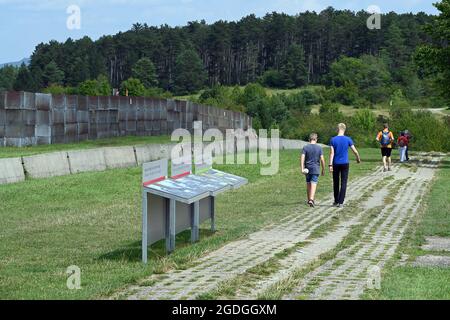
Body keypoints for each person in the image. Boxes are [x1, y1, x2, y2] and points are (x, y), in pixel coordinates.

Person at [329, 123, 361, 208]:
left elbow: (332, 153)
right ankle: (341, 202)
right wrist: (358, 158)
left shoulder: (333, 139)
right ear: (344, 129)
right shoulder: (348, 139)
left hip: (335, 163)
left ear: (338, 129)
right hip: (345, 163)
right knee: (344, 182)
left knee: (336, 182)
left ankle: (336, 201)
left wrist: (330, 165)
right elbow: (355, 151)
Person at [301, 133, 326, 208]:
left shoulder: (305, 147)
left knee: (308, 183)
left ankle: (309, 199)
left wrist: (302, 168)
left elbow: (302, 158)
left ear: (309, 139)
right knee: (314, 184)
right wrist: (323, 169)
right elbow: (322, 159)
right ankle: (311, 199)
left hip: (307, 169)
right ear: (316, 139)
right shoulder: (319, 148)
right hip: (315, 168)